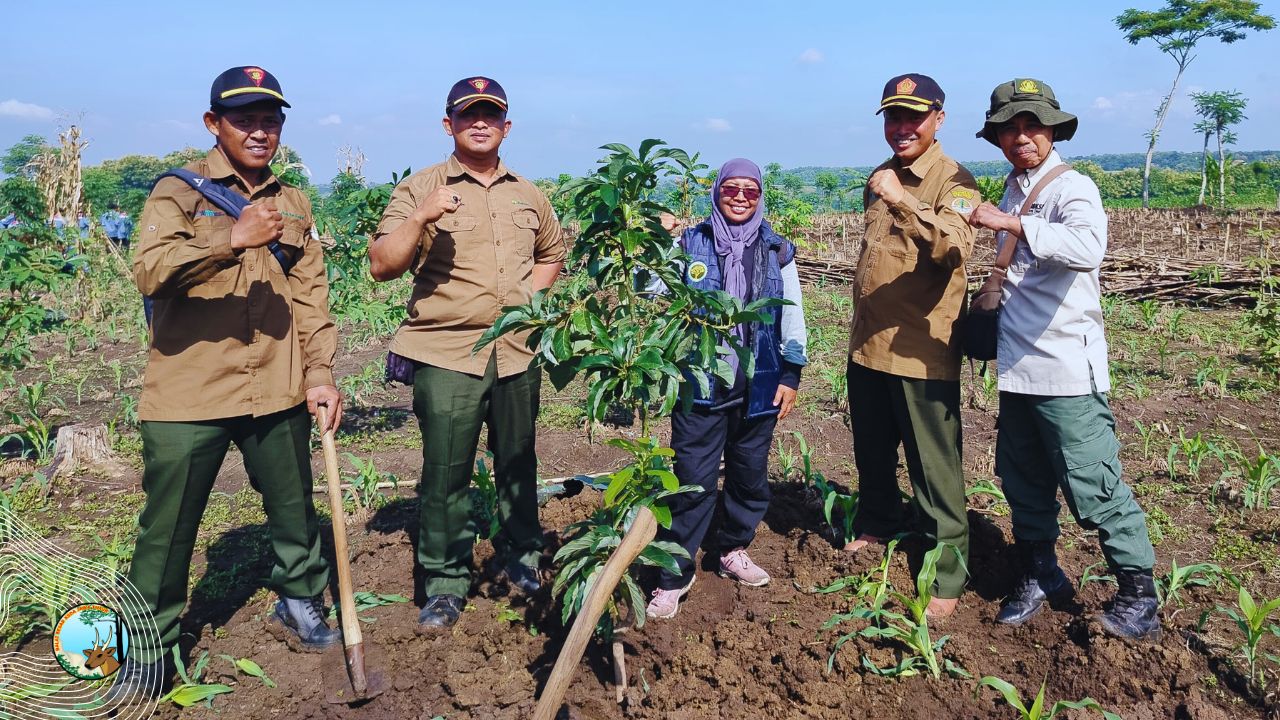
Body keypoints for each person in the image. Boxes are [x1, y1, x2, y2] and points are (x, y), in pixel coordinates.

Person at [111, 65, 345, 698]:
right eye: (244, 119)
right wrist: (231, 240)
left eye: (270, 119)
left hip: (277, 385)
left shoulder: (294, 202)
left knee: (295, 511)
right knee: (166, 529)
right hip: (191, 391)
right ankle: (146, 648)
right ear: (214, 124)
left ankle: (298, 601)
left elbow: (312, 297)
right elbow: (149, 271)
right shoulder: (178, 194)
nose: (259, 131)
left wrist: (320, 374)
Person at [369, 76, 566, 630]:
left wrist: (532, 295)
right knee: (446, 473)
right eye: (467, 114)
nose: (479, 122)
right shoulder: (419, 188)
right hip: (448, 353)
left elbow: (552, 252)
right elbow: (382, 265)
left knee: (519, 461)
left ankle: (522, 557)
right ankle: (444, 580)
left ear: (506, 125)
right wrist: (420, 218)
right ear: (448, 124)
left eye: (490, 114)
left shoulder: (528, 193)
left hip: (517, 353)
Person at [967, 78, 1158, 640]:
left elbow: (1087, 248)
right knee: (1021, 478)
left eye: (1033, 125)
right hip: (1018, 367)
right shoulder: (1012, 185)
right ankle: (1040, 573)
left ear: (1052, 130)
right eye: (1011, 127)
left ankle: (1137, 595)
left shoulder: (1075, 188)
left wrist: (1013, 224)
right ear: (999, 136)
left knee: (1093, 483)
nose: (1022, 136)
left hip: (1067, 369)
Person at [643, 159, 808, 620]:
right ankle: (675, 573)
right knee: (691, 478)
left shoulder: (777, 249)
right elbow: (649, 287)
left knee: (748, 474)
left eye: (750, 191)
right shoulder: (689, 242)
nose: (740, 197)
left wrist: (791, 374)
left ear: (760, 197)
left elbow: (791, 315)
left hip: (759, 385)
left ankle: (733, 548)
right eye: (731, 189)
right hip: (700, 386)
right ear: (715, 193)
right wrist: (657, 241)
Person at [844, 73, 979, 619]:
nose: (901, 128)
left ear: (939, 120)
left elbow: (955, 245)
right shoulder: (882, 175)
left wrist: (902, 201)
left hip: (921, 351)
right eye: (893, 118)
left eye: (914, 118)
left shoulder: (956, 181)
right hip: (869, 344)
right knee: (873, 451)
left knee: (933, 466)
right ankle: (878, 523)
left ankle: (947, 573)